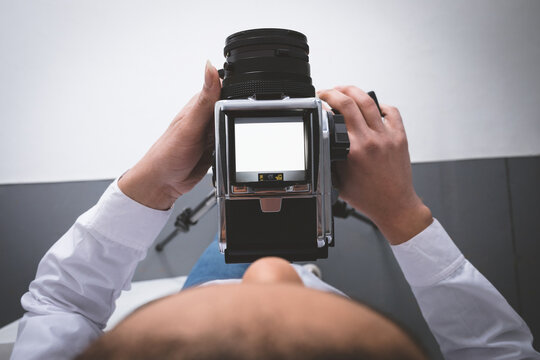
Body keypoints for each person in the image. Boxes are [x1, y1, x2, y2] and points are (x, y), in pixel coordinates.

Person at [10, 61, 539, 360]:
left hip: (204, 272)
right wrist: (402, 213)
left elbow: (63, 303)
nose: (267, 270)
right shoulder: (279, 268)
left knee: (230, 254)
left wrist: (148, 185)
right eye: (289, 293)